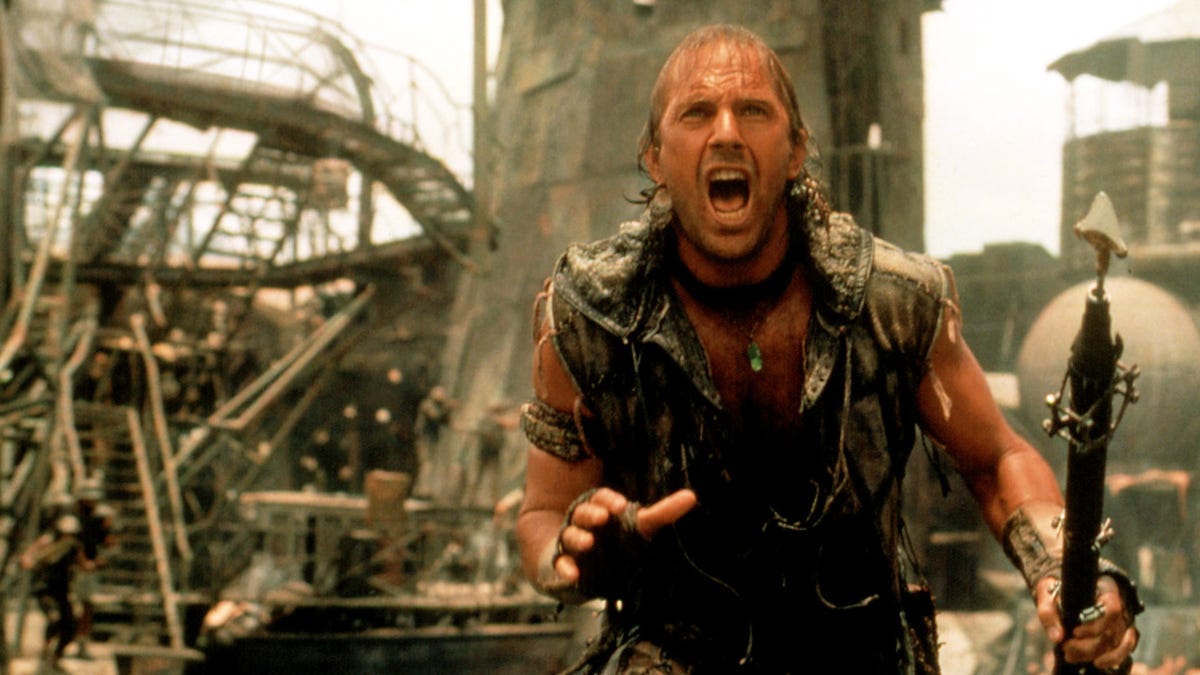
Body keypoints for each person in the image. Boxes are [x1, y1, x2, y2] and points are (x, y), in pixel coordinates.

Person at [516, 24, 1141, 674]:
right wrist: (573, 557)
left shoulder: (892, 303)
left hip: (861, 655)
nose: (726, 132)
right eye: (696, 113)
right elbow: (542, 514)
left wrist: (1063, 569)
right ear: (654, 157)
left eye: (753, 110)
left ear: (794, 151)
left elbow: (996, 459)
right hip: (671, 655)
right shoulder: (592, 316)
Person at [20, 511, 83, 672]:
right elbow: (27, 559)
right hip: (45, 588)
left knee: (71, 625)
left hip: (62, 590)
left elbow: (82, 563)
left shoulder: (73, 547)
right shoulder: (47, 542)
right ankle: (45, 655)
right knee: (54, 618)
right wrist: (37, 560)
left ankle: (55, 658)